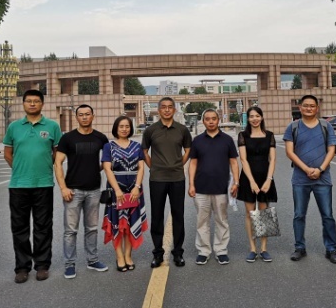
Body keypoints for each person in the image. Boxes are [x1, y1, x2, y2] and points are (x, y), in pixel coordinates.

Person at [3, 89, 62, 283]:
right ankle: (22, 267)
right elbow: (8, 153)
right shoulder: (14, 127)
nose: (32, 104)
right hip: (18, 185)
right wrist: (20, 169)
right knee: (19, 227)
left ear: (42, 104)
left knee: (43, 226)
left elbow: (57, 154)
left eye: (36, 101)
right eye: (29, 101)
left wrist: (44, 167)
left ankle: (42, 265)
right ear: (23, 104)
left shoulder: (52, 126)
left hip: (43, 183)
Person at [283, 94, 336, 264]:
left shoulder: (326, 126)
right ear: (300, 107)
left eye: (312, 106)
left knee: (327, 215)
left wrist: (320, 169)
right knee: (299, 215)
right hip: (300, 179)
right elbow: (289, 152)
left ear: (317, 108)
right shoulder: (293, 127)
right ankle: (299, 248)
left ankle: (331, 249)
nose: (309, 108)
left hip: (323, 179)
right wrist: (307, 169)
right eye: (305, 105)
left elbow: (332, 149)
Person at [54, 104, 109, 279]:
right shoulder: (67, 138)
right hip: (73, 191)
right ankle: (69, 264)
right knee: (70, 230)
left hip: (94, 190)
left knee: (92, 228)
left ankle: (92, 260)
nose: (84, 117)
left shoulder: (101, 138)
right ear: (76, 117)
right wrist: (63, 188)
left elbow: (107, 161)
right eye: (81, 114)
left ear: (93, 116)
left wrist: (95, 169)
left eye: (87, 114)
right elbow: (58, 163)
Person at [142, 97, 192, 268]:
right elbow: (144, 151)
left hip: (177, 178)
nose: (167, 110)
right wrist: (154, 167)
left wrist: (178, 164)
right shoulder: (150, 130)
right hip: (157, 179)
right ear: (158, 110)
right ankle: (158, 254)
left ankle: (178, 253)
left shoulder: (182, 130)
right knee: (157, 216)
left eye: (170, 107)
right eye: (163, 107)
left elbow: (188, 150)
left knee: (178, 216)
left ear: (174, 110)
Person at [188, 109, 240, 265]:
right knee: (202, 221)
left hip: (222, 188)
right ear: (203, 121)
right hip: (201, 188)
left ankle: (221, 250)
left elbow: (234, 162)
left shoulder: (227, 140)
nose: (211, 121)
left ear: (218, 120)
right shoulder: (197, 140)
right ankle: (203, 251)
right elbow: (193, 163)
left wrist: (236, 182)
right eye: (207, 119)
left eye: (213, 119)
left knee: (222, 220)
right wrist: (191, 184)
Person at [101, 116, 147, 272]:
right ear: (116, 128)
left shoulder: (136, 145)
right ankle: (119, 256)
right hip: (116, 190)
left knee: (131, 222)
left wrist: (137, 187)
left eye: (127, 126)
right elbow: (107, 169)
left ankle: (128, 255)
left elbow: (141, 168)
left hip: (134, 190)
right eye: (121, 126)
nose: (124, 129)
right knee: (117, 224)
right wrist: (117, 190)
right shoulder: (109, 146)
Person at [236, 106, 277, 262]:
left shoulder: (270, 135)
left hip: (265, 177)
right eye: (251, 116)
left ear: (262, 117)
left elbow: (272, 159)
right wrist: (252, 182)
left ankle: (264, 249)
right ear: (248, 119)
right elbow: (243, 159)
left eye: (257, 116)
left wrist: (269, 179)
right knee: (250, 213)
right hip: (248, 178)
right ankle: (252, 248)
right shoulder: (243, 135)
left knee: (264, 213)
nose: (255, 119)